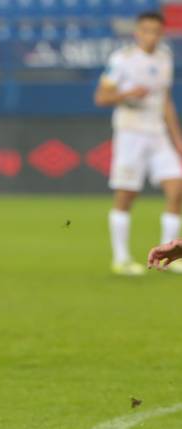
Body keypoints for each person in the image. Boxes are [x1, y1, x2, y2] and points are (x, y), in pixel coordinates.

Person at [95, 11, 182, 276]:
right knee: (126, 194)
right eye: (145, 31)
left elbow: (165, 100)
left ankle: (170, 258)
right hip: (131, 132)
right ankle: (121, 258)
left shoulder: (165, 58)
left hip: (157, 133)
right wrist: (127, 93)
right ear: (137, 32)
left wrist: (177, 139)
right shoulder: (122, 60)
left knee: (177, 188)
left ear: (162, 33)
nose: (151, 36)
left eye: (156, 31)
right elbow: (101, 97)